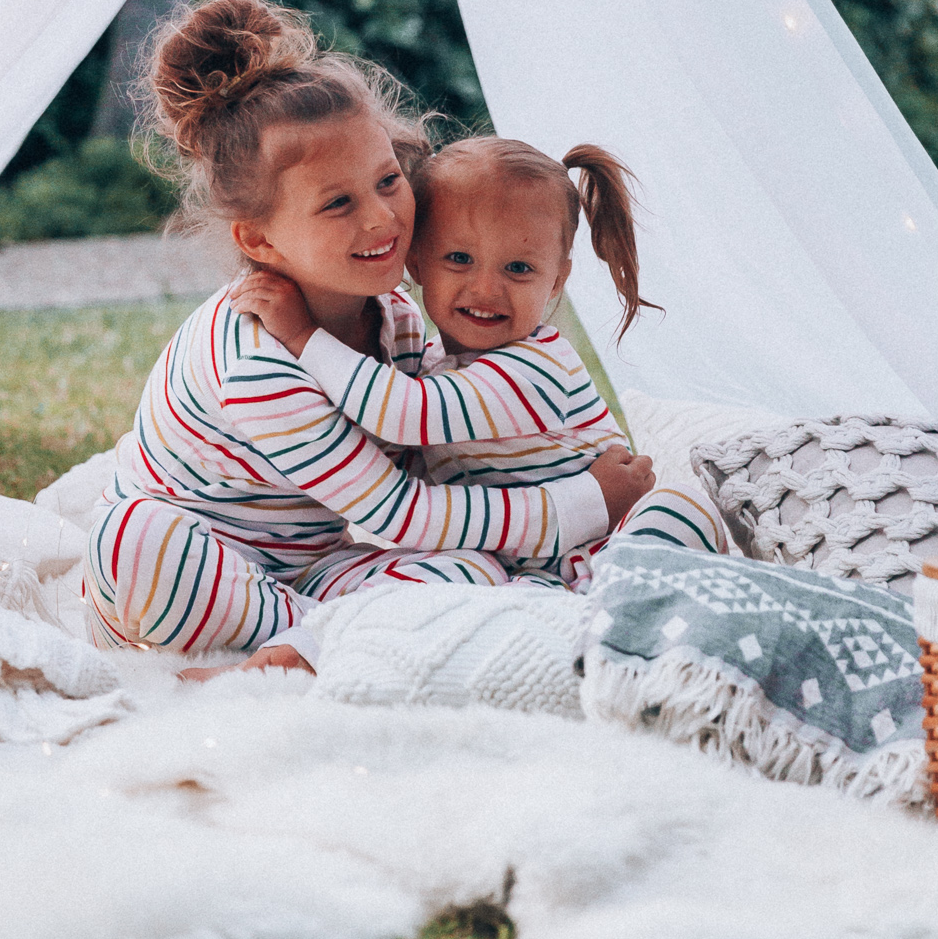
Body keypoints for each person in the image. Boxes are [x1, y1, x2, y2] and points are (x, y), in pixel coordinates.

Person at [83, 0, 655, 668]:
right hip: (198, 567)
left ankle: (313, 637)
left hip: (312, 571)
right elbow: (394, 514)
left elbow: (430, 480)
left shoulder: (400, 323)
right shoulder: (253, 354)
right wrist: (581, 504)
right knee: (132, 538)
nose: (382, 219)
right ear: (259, 240)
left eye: (387, 181)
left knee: (472, 571)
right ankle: (326, 636)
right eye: (338, 204)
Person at [234, 136, 727, 597]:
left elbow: (403, 413)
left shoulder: (538, 366)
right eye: (459, 258)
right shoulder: (428, 365)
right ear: (417, 262)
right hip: (520, 576)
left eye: (519, 269)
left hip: (611, 543)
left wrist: (302, 337)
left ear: (557, 279)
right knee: (434, 576)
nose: (487, 290)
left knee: (682, 508)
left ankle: (635, 610)